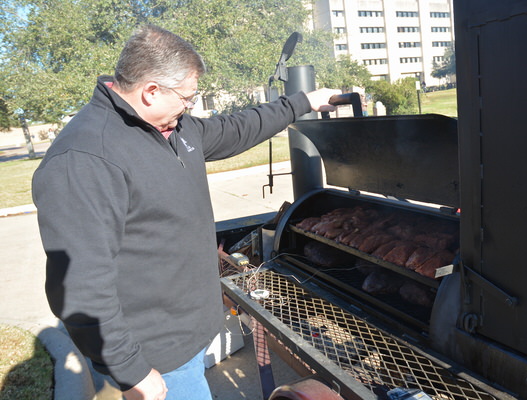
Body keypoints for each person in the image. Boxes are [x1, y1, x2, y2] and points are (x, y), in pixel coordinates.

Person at [32, 24, 338, 400]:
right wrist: (131, 370)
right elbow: (79, 286)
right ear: (150, 91)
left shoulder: (173, 127)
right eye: (187, 97)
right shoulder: (85, 159)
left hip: (187, 332)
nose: (190, 106)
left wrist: (302, 102)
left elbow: (237, 128)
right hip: (154, 354)